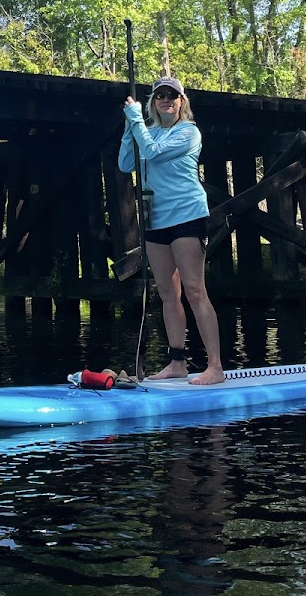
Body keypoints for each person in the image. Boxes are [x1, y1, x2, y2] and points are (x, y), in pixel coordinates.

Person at [119, 76, 225, 385]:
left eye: (173, 96)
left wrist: (137, 120)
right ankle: (177, 362)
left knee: (194, 289)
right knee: (167, 291)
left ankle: (215, 367)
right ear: (153, 103)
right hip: (156, 218)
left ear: (181, 102)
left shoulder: (188, 132)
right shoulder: (145, 130)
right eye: (161, 96)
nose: (167, 100)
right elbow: (127, 164)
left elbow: (152, 152)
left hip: (187, 215)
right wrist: (130, 127)